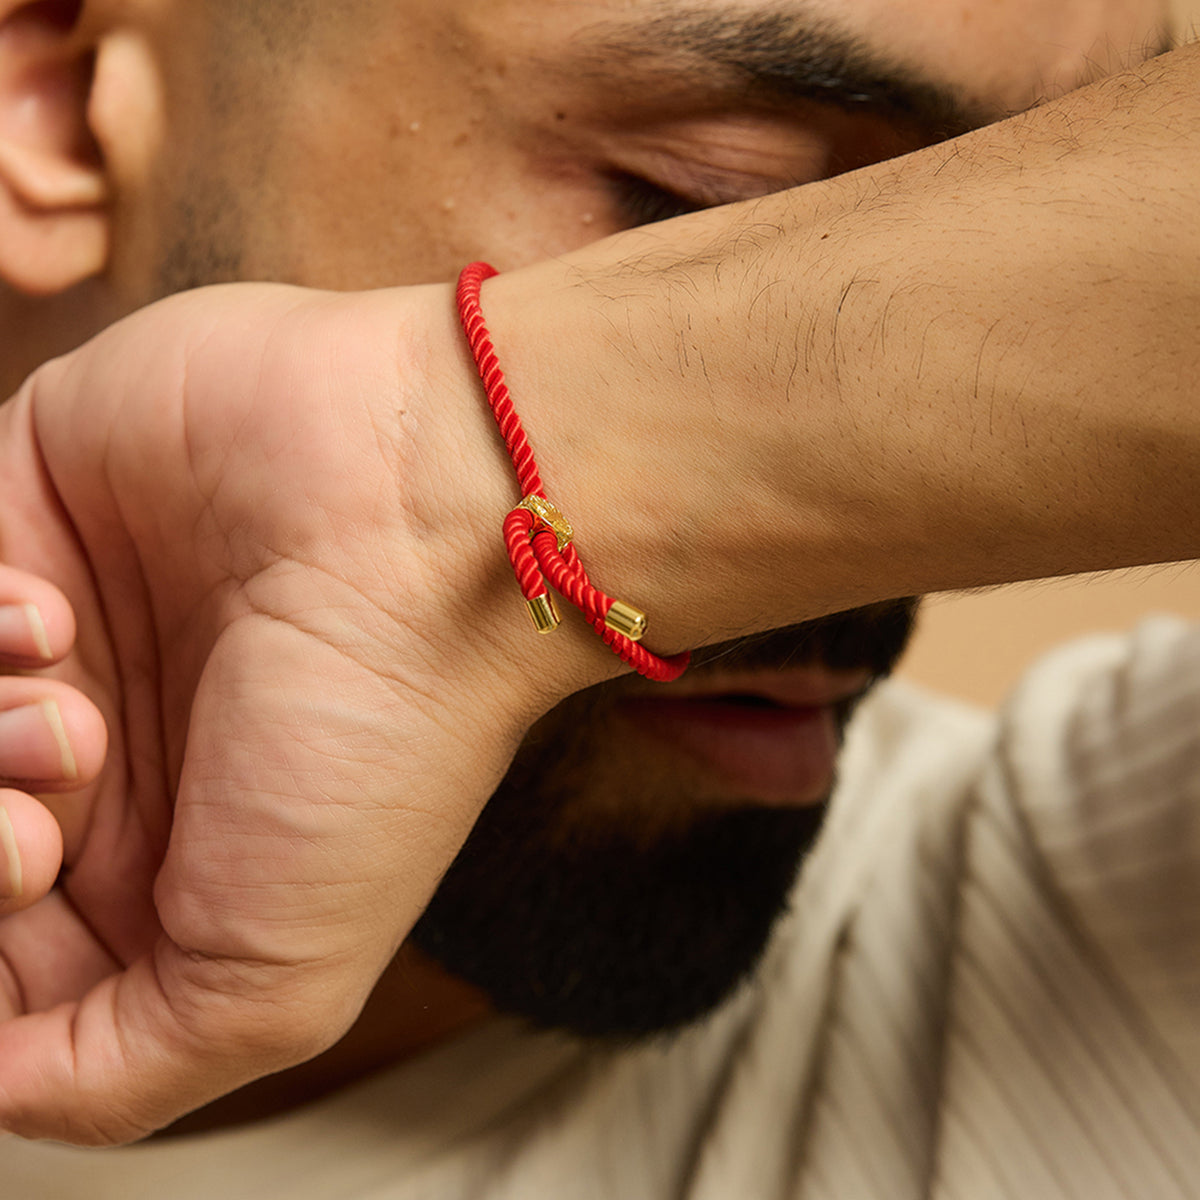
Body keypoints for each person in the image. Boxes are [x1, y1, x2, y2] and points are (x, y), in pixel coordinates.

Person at [0, 0, 1197, 1194]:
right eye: (710, 200)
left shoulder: (1071, 933)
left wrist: (435, 465)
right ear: (53, 109)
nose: (888, 519)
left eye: (1057, 278)